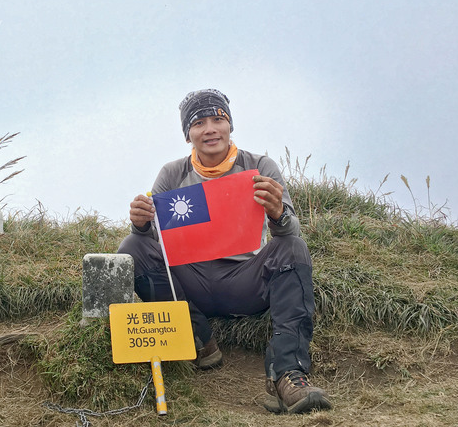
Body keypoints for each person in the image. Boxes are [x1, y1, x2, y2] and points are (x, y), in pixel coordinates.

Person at [117, 89, 332, 414]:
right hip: (189, 283)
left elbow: (290, 231)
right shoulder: (172, 174)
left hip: (245, 282)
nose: (210, 129)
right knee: (131, 246)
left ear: (230, 124)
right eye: (199, 122)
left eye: (218, 119)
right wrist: (141, 224)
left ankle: (287, 374)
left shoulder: (259, 165)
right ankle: (195, 333)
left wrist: (278, 213)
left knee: (294, 248)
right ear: (188, 133)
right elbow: (153, 240)